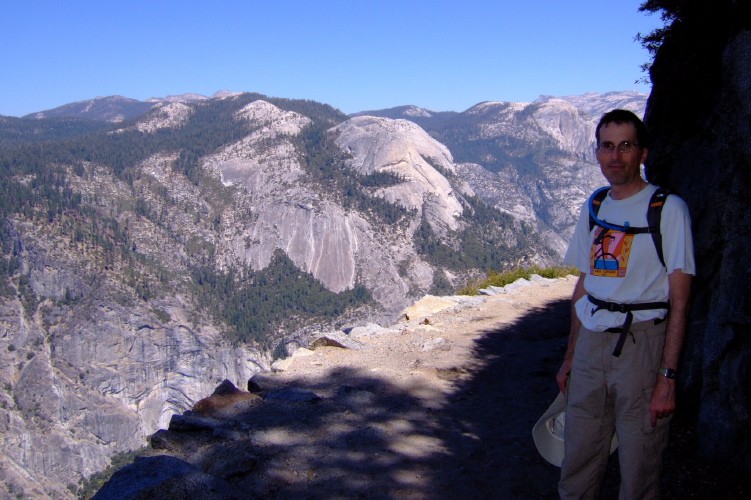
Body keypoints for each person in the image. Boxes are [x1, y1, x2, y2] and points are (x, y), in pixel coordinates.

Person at [556, 109, 695, 499]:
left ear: (642, 153)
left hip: (642, 346)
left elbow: (681, 301)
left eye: (625, 146)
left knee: (639, 462)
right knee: (577, 456)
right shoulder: (596, 205)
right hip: (590, 346)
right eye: (607, 147)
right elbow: (584, 285)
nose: (615, 157)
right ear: (596, 152)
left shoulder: (668, 209)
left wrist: (667, 379)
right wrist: (570, 358)